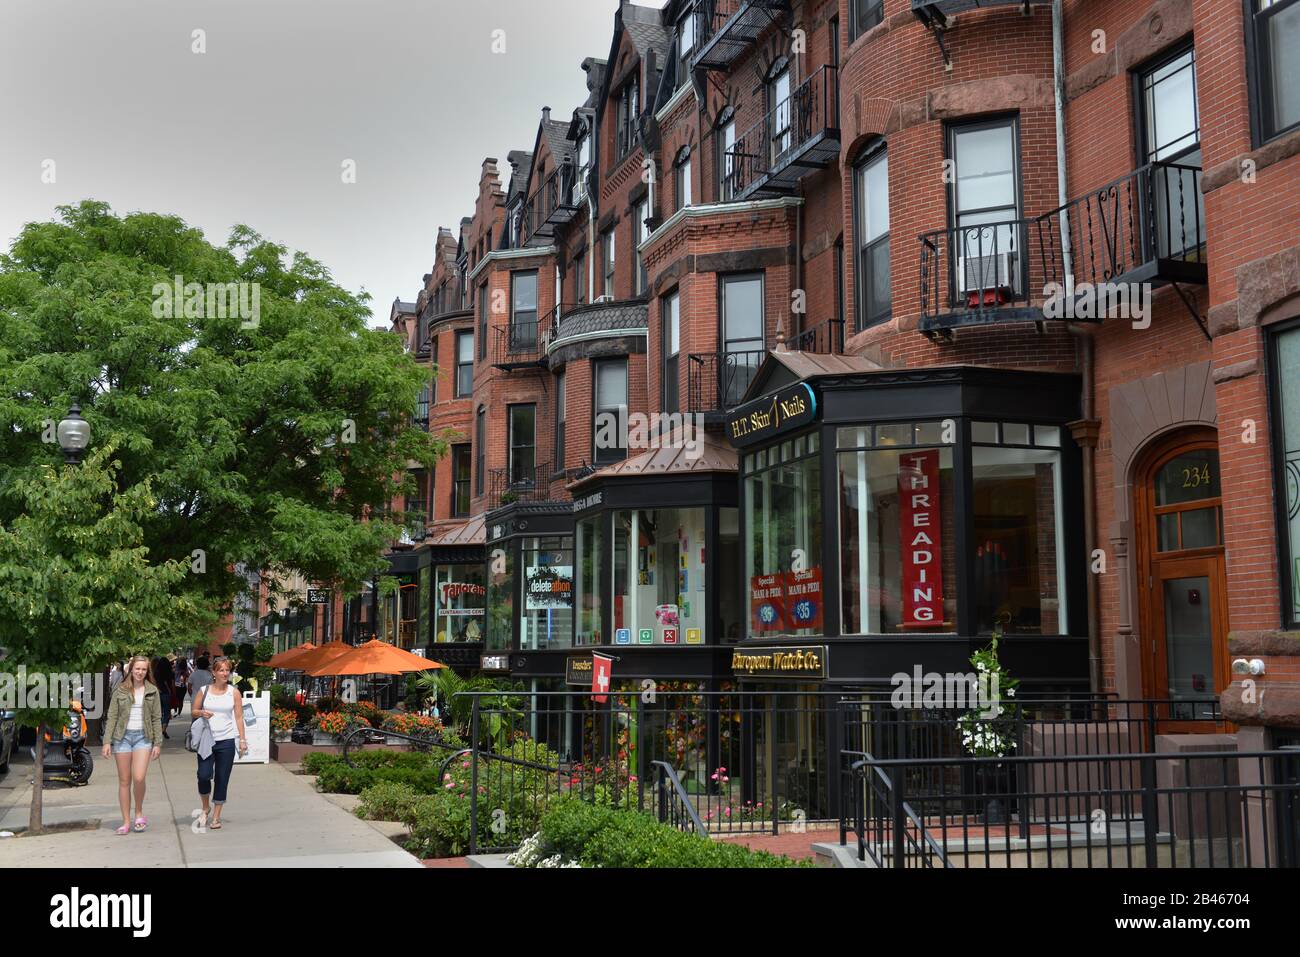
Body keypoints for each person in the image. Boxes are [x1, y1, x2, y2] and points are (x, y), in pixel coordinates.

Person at [101, 655, 164, 835]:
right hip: (122, 738)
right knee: (124, 781)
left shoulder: (152, 691)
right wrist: (107, 742)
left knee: (138, 777)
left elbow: (156, 718)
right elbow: (112, 716)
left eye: (144, 669)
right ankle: (126, 821)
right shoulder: (120, 690)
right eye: (137, 668)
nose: (140, 672)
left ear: (147, 671)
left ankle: (138, 812)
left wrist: (157, 743)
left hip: (143, 738)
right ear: (131, 669)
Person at [192, 656, 248, 829]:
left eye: (227, 670)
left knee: (222, 778)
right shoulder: (204, 690)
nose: (225, 673)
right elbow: (194, 711)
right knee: (203, 775)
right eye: (221, 670)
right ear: (214, 672)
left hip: (226, 741)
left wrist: (242, 740)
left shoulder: (234, 692)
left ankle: (216, 817)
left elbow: (239, 716)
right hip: (207, 740)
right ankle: (205, 807)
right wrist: (202, 713)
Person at [151, 657, 175, 739]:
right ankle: (163, 729)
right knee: (167, 712)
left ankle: (157, 729)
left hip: (158, 693)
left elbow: (153, 682)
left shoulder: (156, 672)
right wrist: (173, 693)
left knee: (158, 712)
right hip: (166, 693)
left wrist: (157, 689)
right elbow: (172, 684)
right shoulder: (170, 673)